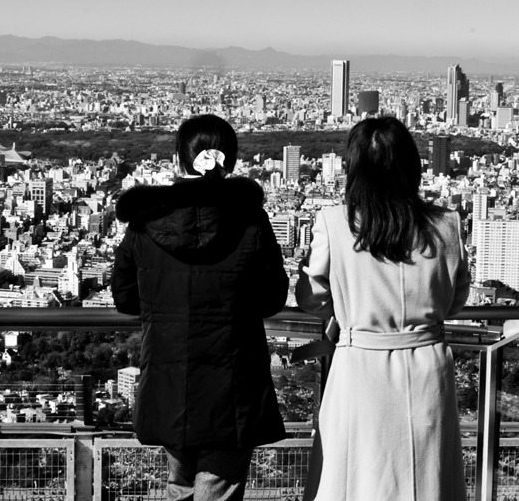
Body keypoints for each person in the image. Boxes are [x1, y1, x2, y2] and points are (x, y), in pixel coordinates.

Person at [112, 114, 288, 501]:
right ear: (231, 162)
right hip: (234, 380)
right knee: (219, 490)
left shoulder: (145, 221)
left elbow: (124, 297)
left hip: (169, 373)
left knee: (180, 487)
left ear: (179, 158)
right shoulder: (250, 220)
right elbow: (272, 297)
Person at [296, 116, 469, 501]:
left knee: (355, 477)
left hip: (360, 365)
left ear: (354, 167)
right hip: (428, 366)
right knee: (427, 477)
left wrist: (340, 304)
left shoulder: (334, 223)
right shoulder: (446, 225)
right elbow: (456, 301)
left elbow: (310, 298)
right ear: (411, 166)